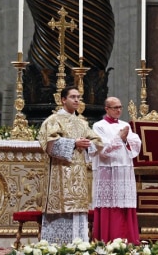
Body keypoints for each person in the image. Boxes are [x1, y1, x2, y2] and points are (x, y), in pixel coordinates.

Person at [38, 86, 103, 244]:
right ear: (63, 100)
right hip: (60, 176)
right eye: (73, 97)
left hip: (78, 179)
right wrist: (74, 143)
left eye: (78, 97)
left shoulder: (81, 123)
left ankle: (78, 247)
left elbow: (97, 142)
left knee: (78, 215)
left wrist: (88, 144)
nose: (76, 100)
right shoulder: (53, 120)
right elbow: (49, 145)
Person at [91, 97, 141, 244]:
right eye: (115, 108)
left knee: (125, 203)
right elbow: (102, 148)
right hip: (108, 169)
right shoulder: (98, 126)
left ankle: (129, 239)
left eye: (120, 107)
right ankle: (108, 238)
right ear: (107, 109)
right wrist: (119, 138)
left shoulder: (125, 125)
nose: (119, 110)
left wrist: (125, 139)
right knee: (109, 203)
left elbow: (135, 143)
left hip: (124, 169)